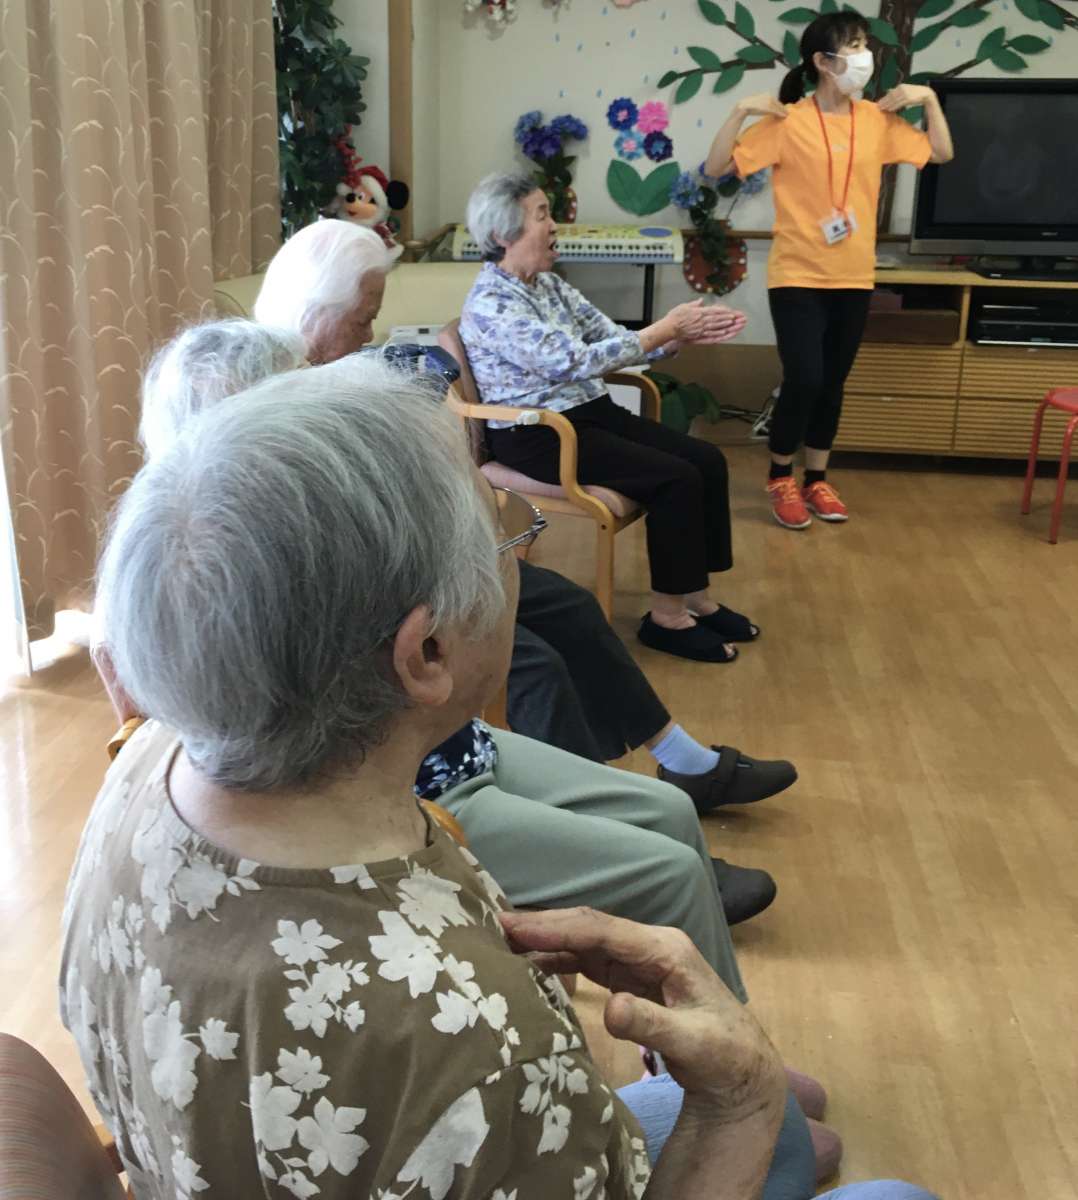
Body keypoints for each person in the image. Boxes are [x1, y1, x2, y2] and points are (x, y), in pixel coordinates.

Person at [63, 358, 937, 1200]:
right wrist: (736, 1106)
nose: (518, 558)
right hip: (475, 1111)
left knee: (784, 1135)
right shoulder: (482, 1047)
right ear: (428, 651)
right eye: (506, 537)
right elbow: (475, 1070)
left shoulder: (146, 763)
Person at [460, 171, 757, 665]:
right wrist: (661, 329)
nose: (554, 225)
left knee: (706, 460)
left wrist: (674, 337)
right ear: (502, 234)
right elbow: (571, 360)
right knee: (675, 478)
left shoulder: (549, 285)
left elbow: (608, 337)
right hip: (538, 433)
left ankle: (697, 598)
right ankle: (667, 620)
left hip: (588, 415)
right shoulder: (491, 303)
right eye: (541, 215)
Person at [704, 12, 954, 530]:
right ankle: (781, 476)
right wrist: (740, 110)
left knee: (833, 382)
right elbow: (715, 168)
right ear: (822, 61)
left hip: (853, 275)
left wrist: (929, 99)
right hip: (797, 274)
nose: (865, 57)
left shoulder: (876, 120)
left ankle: (816, 478)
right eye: (855, 46)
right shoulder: (788, 121)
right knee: (805, 377)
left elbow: (941, 152)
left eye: (865, 45)